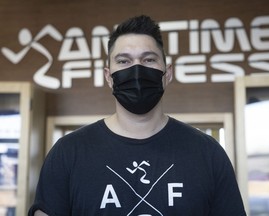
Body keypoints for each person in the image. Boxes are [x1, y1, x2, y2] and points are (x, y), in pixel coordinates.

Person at [28, 15, 246, 216]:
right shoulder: (67, 153)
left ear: (167, 74)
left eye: (149, 60)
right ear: (109, 76)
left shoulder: (208, 153)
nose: (137, 70)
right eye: (124, 61)